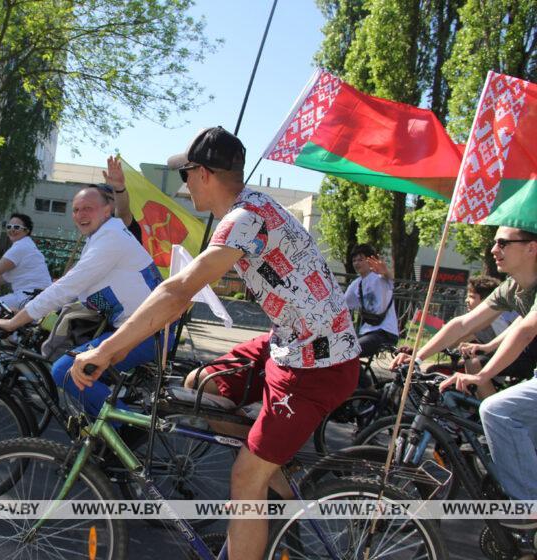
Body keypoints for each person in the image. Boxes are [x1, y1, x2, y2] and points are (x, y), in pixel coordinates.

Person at [70, 126, 361, 559]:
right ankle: (274, 470)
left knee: (244, 478)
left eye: (185, 174)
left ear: (204, 173)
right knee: (203, 382)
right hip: (290, 342)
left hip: (318, 365)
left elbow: (177, 291)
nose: (183, 184)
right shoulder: (250, 209)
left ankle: (260, 474)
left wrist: (106, 349)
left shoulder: (245, 219)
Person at [0, 170, 172, 418]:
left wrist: (16, 321)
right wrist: (32, 311)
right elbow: (75, 287)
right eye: (76, 210)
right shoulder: (100, 237)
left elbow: (68, 286)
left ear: (107, 210)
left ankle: (121, 435)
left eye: (88, 208)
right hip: (137, 327)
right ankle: (101, 433)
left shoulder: (110, 238)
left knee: (66, 371)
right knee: (79, 366)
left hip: (148, 332)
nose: (80, 215)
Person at [392, 226, 537, 500]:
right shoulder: (513, 287)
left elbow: (526, 330)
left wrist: (482, 376)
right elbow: (462, 324)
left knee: (496, 410)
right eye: (494, 243)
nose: (494, 249)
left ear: (532, 247)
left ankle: (529, 508)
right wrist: (418, 357)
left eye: (503, 243)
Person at [0, 213, 52, 323]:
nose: (12, 230)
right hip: (35, 296)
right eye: (9, 227)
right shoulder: (27, 245)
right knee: (5, 323)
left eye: (16, 227)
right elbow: (4, 278)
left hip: (28, 296)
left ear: (27, 230)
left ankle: (14, 339)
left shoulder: (21, 247)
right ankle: (14, 338)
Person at [343, 244, 399, 363]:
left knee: (350, 352)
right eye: (354, 260)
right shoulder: (356, 284)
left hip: (385, 333)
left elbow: (389, 277)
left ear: (370, 261)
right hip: (366, 332)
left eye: (361, 259)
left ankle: (364, 382)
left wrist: (385, 271)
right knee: (341, 351)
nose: (357, 263)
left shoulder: (380, 278)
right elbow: (342, 305)